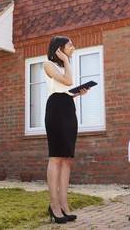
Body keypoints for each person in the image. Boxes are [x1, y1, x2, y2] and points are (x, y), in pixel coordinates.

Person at [43, 36, 88, 224]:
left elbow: (67, 91)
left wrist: (78, 94)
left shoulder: (63, 65)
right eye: (70, 45)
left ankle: (64, 205)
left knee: (67, 159)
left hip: (68, 109)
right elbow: (68, 82)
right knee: (56, 157)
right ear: (59, 49)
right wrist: (66, 61)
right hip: (55, 110)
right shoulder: (48, 64)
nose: (73, 47)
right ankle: (54, 205)